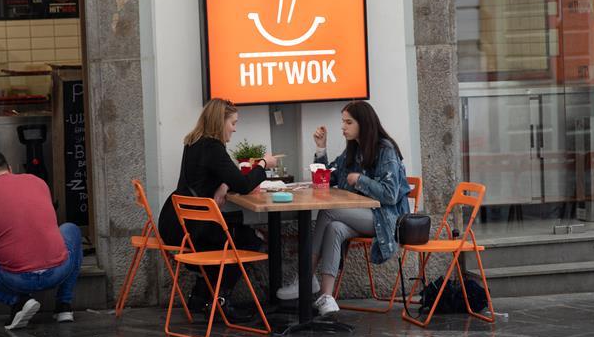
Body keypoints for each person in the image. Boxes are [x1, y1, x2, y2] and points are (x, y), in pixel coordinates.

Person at [276, 101, 411, 316]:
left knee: (328, 212)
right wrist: (321, 148)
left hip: (386, 219)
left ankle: (305, 277)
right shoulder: (354, 149)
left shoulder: (385, 150)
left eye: (348, 122)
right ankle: (326, 296)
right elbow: (330, 177)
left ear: (363, 124)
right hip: (363, 214)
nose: (343, 127)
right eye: (343, 122)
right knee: (335, 228)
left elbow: (390, 194)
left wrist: (360, 180)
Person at [157, 98, 277, 321]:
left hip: (175, 223)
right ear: (220, 122)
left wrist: (224, 184)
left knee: (237, 231)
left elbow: (219, 176)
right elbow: (244, 184)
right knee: (251, 240)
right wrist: (262, 164)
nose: (234, 128)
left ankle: (201, 295)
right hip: (193, 230)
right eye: (233, 122)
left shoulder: (193, 142)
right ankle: (220, 300)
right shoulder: (213, 148)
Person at [0, 149, 83, 330]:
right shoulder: (38, 182)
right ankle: (64, 306)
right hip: (58, 271)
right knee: (71, 229)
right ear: (10, 168)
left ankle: (19, 302)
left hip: (17, 278)